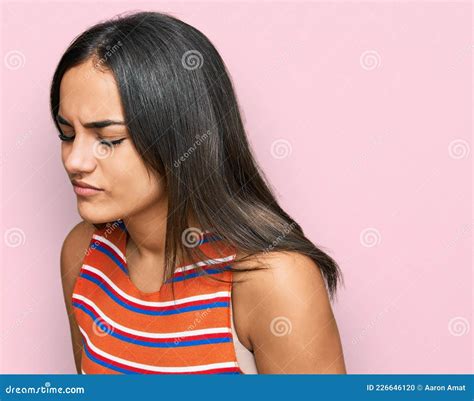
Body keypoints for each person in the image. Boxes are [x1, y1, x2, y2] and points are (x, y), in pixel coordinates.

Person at [51, 10, 346, 374]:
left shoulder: (272, 280)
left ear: (181, 138)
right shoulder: (84, 253)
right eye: (67, 133)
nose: (75, 160)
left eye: (108, 139)